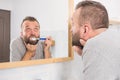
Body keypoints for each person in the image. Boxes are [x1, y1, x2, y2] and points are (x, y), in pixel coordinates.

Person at [71, 1, 120, 80]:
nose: (70, 30)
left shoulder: (94, 45)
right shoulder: (115, 35)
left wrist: (90, 49)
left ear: (85, 30)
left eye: (73, 24)